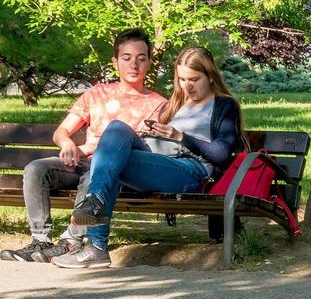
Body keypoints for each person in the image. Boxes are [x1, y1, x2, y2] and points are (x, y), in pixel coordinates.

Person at [51, 46, 244, 269]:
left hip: (192, 171)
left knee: (109, 161)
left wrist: (180, 136)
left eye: (194, 79)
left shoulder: (223, 105)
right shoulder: (177, 104)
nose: (187, 86)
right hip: (160, 162)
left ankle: (96, 242)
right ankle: (96, 207)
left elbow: (221, 153)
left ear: (210, 76)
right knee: (115, 130)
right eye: (181, 79)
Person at [0, 29, 166, 263]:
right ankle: (40, 241)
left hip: (114, 170)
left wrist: (92, 151)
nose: (134, 65)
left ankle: (71, 242)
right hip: (81, 161)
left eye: (141, 58)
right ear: (115, 61)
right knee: (36, 169)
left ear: (149, 61)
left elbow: (147, 147)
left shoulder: (159, 105)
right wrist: (67, 143)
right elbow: (61, 132)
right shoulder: (96, 94)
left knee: (94, 176)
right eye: (126, 58)